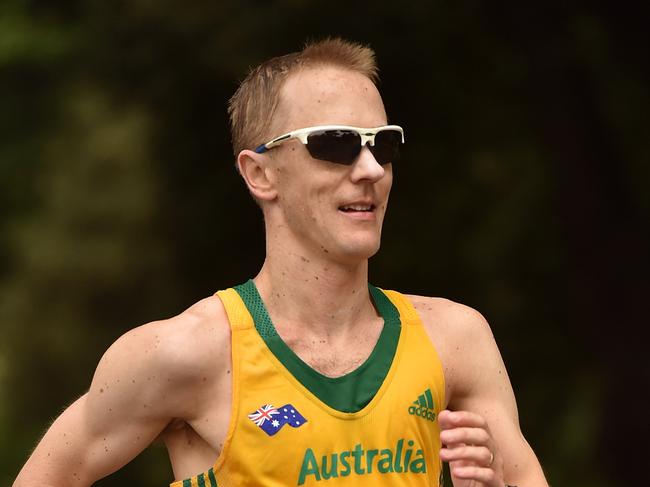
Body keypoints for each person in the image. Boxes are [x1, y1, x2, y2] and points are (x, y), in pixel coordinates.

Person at [13, 38, 548, 487]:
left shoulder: (455, 340)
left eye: (381, 145)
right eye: (335, 144)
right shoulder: (184, 353)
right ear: (260, 174)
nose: (370, 169)